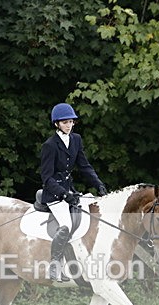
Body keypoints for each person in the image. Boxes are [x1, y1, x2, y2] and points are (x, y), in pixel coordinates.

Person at [40, 103, 108, 281]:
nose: (69, 125)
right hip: (54, 194)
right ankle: (54, 265)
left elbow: (84, 166)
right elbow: (47, 178)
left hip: (71, 191)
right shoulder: (50, 145)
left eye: (71, 122)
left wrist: (98, 183)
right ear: (57, 124)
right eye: (64, 123)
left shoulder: (76, 139)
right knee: (66, 226)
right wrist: (64, 194)